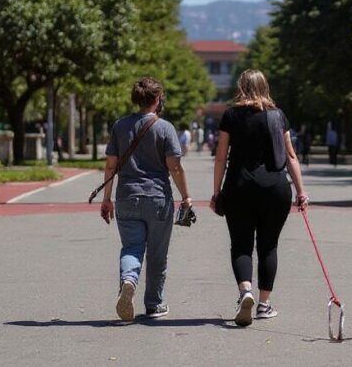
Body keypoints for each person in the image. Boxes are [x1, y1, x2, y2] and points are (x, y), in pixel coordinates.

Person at [210, 69, 308, 327]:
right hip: (275, 188)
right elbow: (290, 156)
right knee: (269, 245)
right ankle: (264, 305)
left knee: (241, 245)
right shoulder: (278, 116)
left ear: (241, 86)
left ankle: (246, 292)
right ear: (265, 86)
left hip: (239, 186)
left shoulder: (231, 115)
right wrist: (301, 191)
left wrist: (216, 191)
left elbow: (221, 156)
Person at [100, 77, 192, 323]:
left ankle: (129, 280)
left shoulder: (120, 126)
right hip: (158, 198)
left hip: (127, 197)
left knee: (131, 247)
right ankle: (154, 303)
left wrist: (107, 199)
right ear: (157, 99)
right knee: (157, 254)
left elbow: (110, 166)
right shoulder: (165, 128)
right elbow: (175, 167)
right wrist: (186, 197)